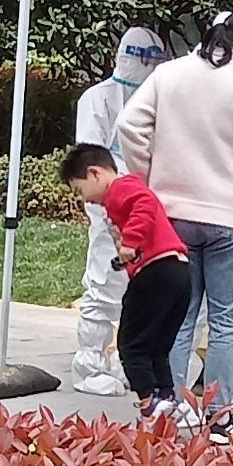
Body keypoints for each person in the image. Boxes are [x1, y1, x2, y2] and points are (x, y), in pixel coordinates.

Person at [116, 8, 233, 443]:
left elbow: (129, 125)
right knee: (228, 322)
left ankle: (169, 411)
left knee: (178, 318)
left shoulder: (170, 75)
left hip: (173, 217)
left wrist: (147, 180)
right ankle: (217, 418)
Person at [60, 144, 191, 423]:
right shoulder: (121, 194)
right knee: (157, 346)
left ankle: (149, 401)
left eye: (81, 190)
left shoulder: (121, 189)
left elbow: (146, 204)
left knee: (131, 345)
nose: (86, 201)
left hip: (156, 271)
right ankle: (166, 398)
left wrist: (130, 243)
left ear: (94, 173)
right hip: (178, 271)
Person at [71, 26, 167, 394]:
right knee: (103, 283)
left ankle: (127, 360)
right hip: (111, 209)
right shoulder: (98, 98)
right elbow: (92, 158)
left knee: (143, 291)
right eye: (144, 59)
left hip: (145, 208)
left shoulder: (155, 101)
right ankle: (90, 362)